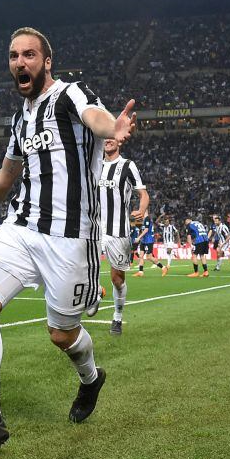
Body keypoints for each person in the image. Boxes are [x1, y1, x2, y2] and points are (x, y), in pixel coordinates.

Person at [0, 26, 136, 459]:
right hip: (20, 228)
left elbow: (96, 117)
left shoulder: (69, 93)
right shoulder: (20, 119)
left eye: (30, 55)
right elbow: (7, 172)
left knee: (61, 334)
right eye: (14, 56)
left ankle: (91, 379)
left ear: (46, 62)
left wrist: (113, 129)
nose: (20, 62)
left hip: (70, 237)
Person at [98, 138, 149, 335]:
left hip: (118, 230)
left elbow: (143, 194)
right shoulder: (93, 163)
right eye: (105, 137)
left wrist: (141, 210)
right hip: (94, 228)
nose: (108, 140)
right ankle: (94, 294)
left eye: (112, 137)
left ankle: (117, 316)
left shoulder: (128, 165)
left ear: (119, 142)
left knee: (117, 279)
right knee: (80, 267)